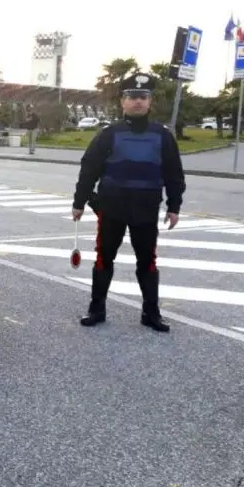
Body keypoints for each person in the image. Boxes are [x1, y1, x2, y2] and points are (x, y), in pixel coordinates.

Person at [71, 72, 185, 332]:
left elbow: (173, 173)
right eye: (132, 96)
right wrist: (80, 202)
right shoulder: (109, 134)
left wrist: (174, 206)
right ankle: (96, 308)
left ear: (150, 102)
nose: (137, 102)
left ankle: (151, 313)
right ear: (123, 101)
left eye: (143, 97)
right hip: (112, 209)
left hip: (146, 210)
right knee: (104, 259)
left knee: (147, 262)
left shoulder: (162, 136)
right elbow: (89, 169)